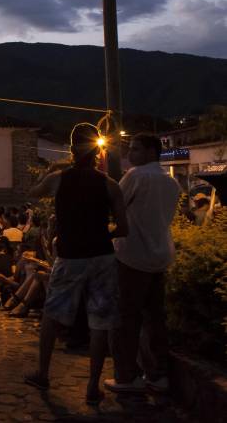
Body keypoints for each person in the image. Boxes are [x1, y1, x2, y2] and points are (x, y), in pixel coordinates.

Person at [24, 123, 128, 405]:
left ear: (71, 150)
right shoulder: (110, 185)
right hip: (103, 258)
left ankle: (43, 373)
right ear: (97, 151)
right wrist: (101, 233)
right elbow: (123, 228)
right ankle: (92, 386)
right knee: (100, 322)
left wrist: (49, 172)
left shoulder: (59, 179)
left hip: (70, 257)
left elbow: (32, 193)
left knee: (52, 315)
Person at [105, 133, 181, 394]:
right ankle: (158, 374)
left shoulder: (136, 177)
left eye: (135, 149)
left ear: (150, 152)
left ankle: (127, 376)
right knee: (156, 318)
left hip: (132, 256)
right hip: (160, 256)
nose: (130, 155)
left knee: (126, 318)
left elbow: (113, 206)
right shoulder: (171, 183)